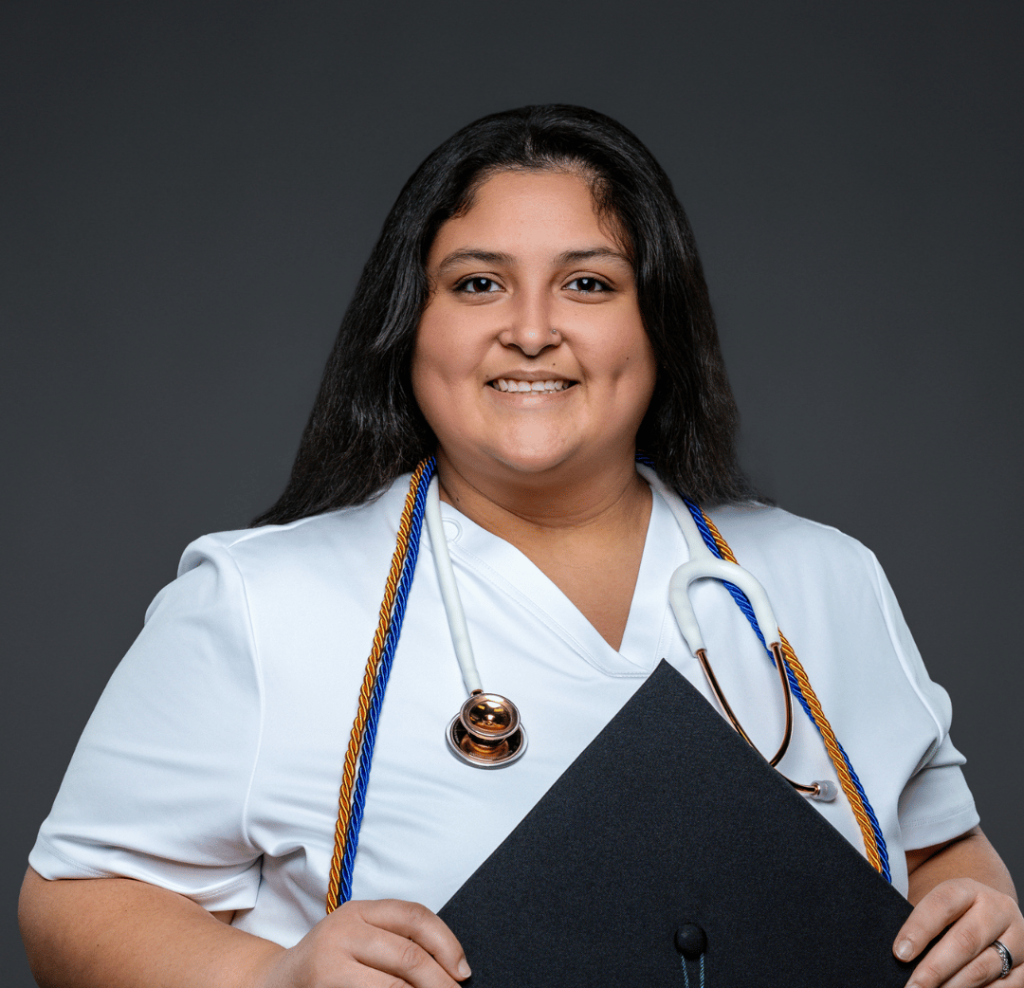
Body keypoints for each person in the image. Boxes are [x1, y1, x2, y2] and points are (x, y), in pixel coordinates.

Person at [19, 104, 1021, 988]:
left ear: (657, 325)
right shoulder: (260, 599)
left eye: (586, 283)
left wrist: (983, 926)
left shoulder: (819, 579)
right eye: (477, 284)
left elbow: (940, 856)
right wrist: (271, 979)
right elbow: (73, 903)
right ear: (411, 328)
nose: (531, 330)